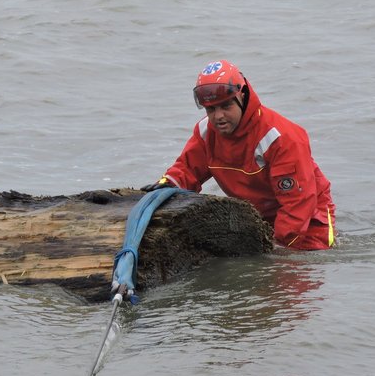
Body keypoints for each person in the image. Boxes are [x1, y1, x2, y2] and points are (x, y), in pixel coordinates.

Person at [141, 60, 336, 250]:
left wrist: (278, 247)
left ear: (242, 97)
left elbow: (298, 203)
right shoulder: (206, 132)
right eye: (211, 109)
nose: (218, 116)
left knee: (291, 272)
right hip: (257, 216)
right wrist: (167, 186)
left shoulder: (279, 137)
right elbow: (187, 169)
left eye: (226, 106)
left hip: (309, 215)